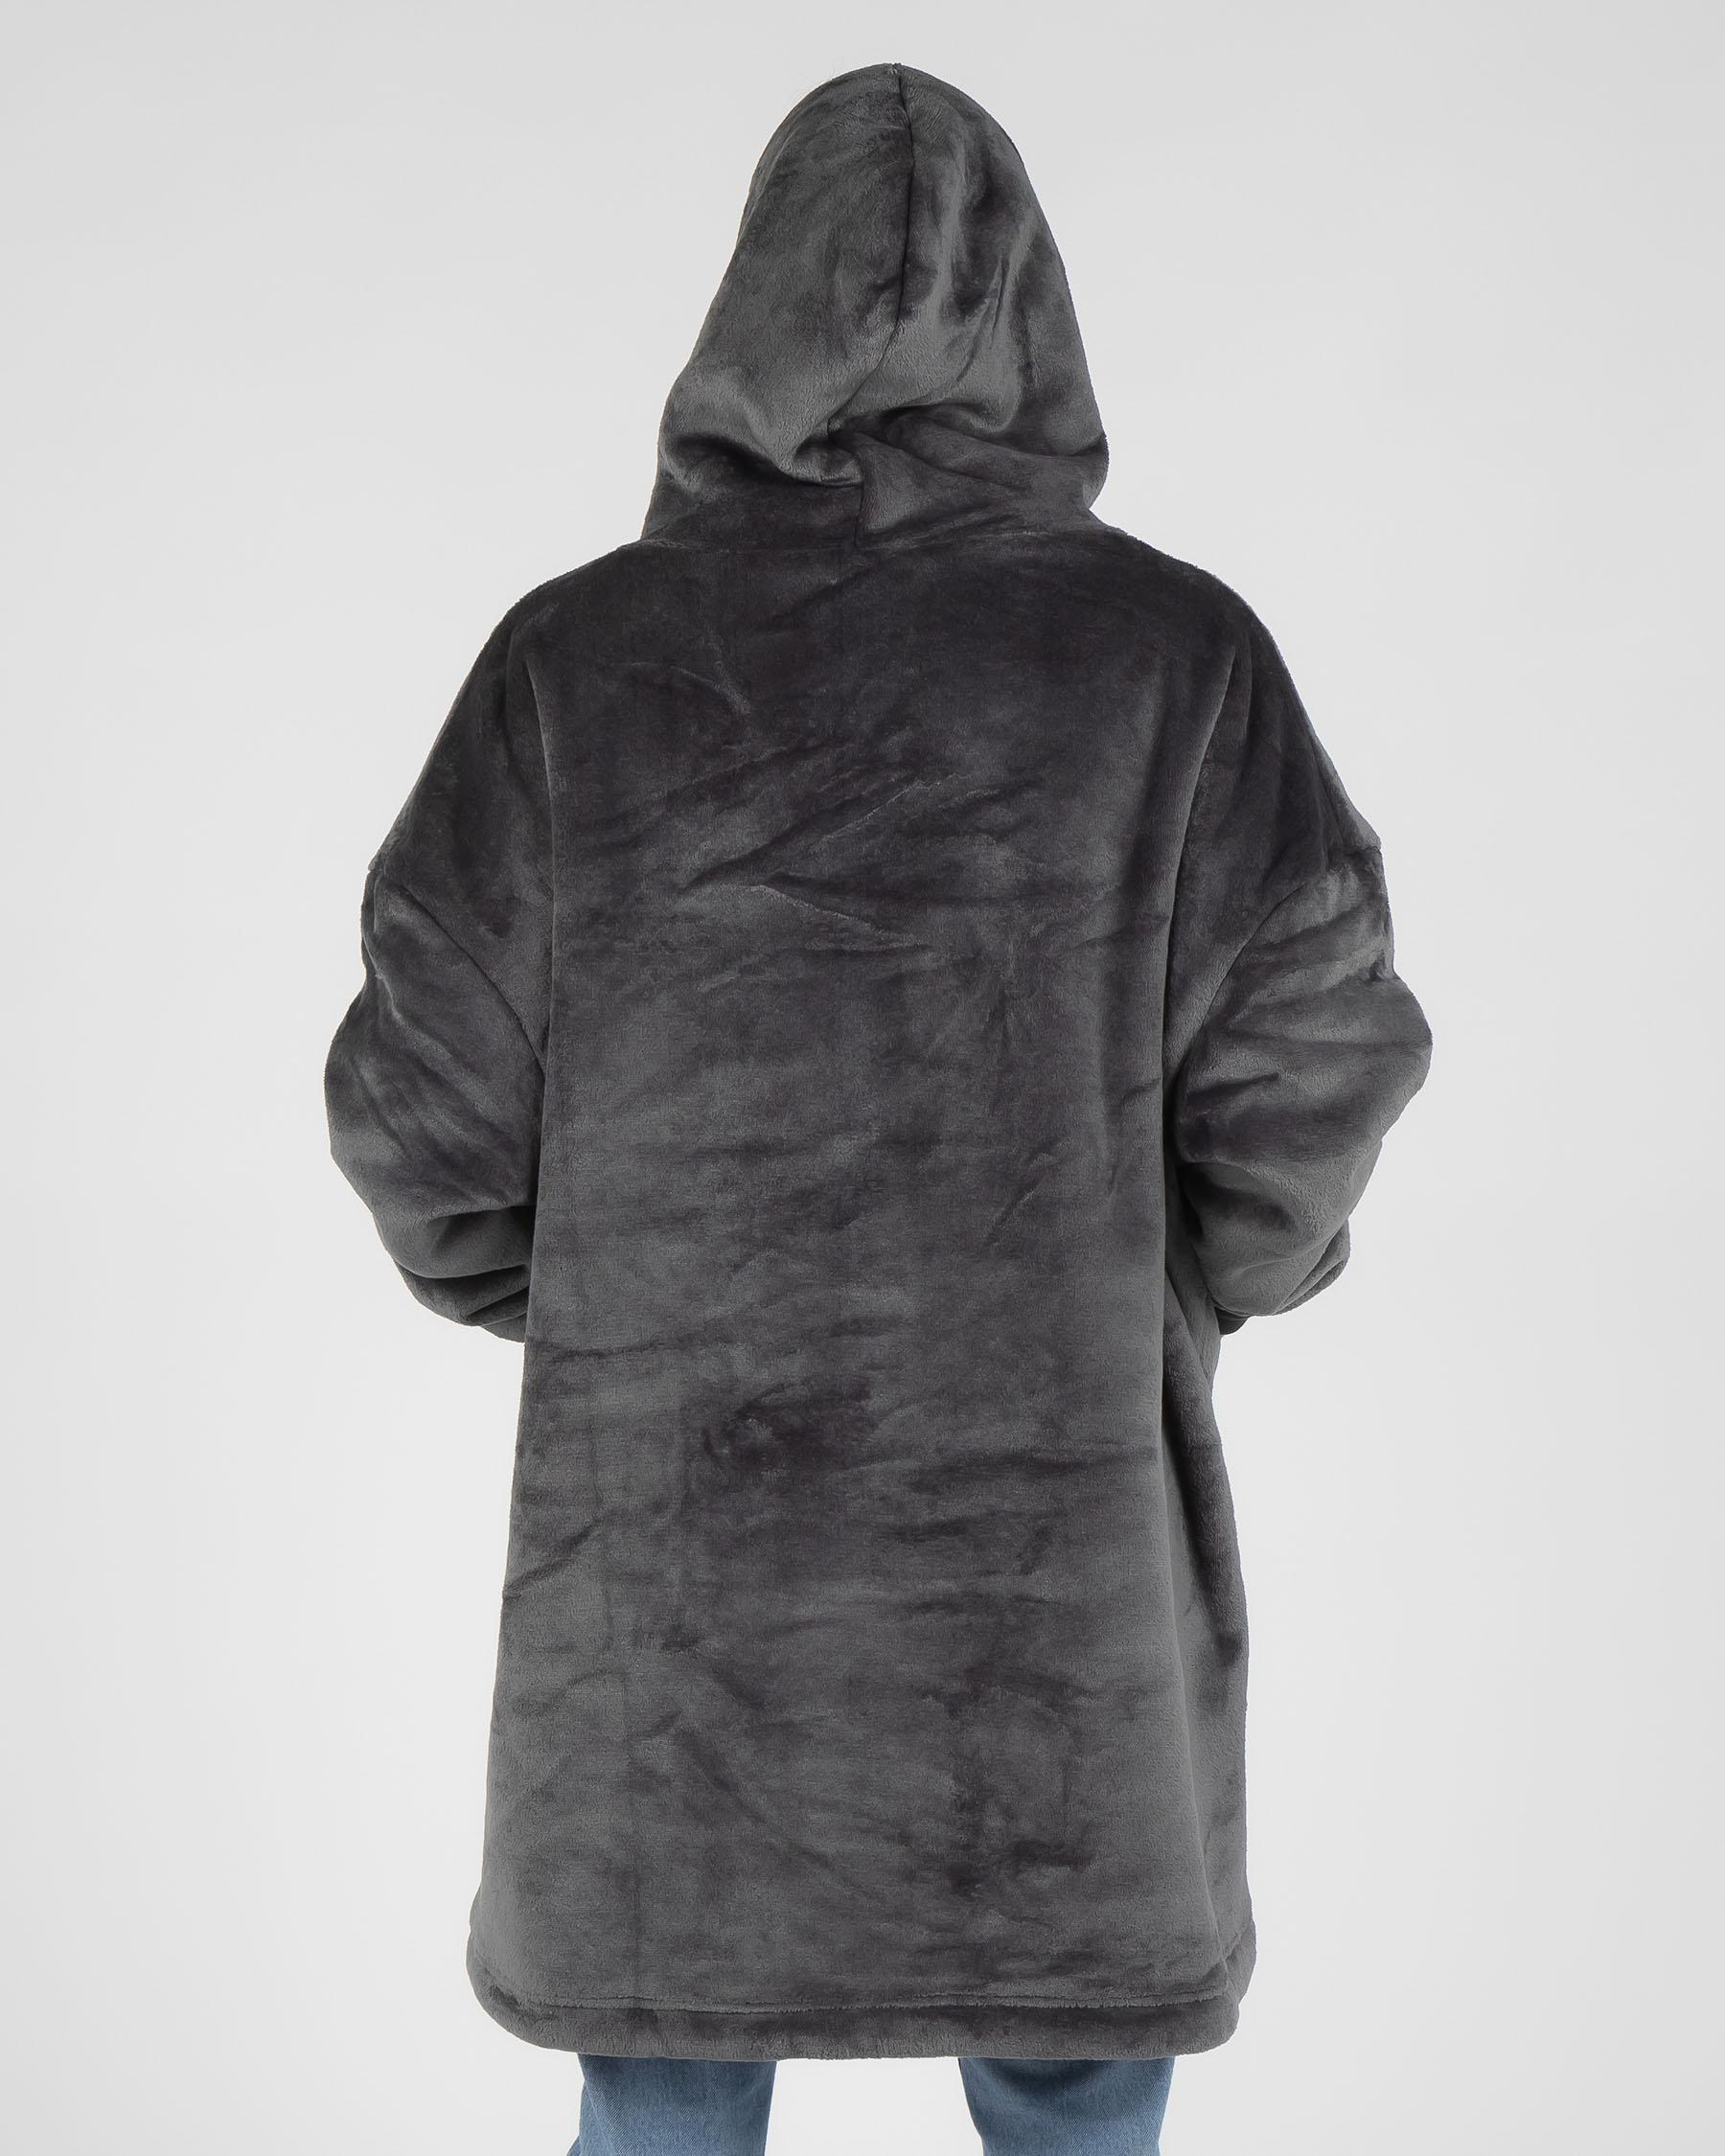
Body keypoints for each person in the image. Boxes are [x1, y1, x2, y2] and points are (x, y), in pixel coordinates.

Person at [325, 59, 1433, 2155]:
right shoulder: (1180, 660)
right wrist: (1177, 1281)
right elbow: (1319, 1052)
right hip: (1056, 1603)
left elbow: (423, 1108)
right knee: (1077, 2071)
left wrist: (605, 1297)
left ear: (743, 312)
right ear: (1036, 317)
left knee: (663, 2070)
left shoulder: (573, 663)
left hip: (666, 1605)